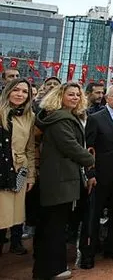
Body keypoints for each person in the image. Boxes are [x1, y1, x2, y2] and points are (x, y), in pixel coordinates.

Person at [33, 82, 95, 280]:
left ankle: (50, 268)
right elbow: (69, 145)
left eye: (78, 95)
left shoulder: (63, 117)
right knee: (54, 227)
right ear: (60, 96)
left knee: (53, 225)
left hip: (61, 178)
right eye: (71, 94)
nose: (75, 97)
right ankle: (51, 269)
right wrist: (89, 158)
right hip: (59, 179)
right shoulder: (61, 119)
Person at [78, 84, 113, 269]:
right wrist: (90, 173)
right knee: (92, 216)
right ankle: (88, 253)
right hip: (100, 175)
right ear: (107, 98)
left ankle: (112, 247)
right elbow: (89, 148)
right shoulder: (95, 118)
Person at [0, 79, 36, 256]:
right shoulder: (0, 112)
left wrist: (30, 176)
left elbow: (30, 148)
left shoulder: (30, 116)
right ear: (8, 91)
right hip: (2, 169)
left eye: (24, 91)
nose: (20, 94)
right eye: (16, 90)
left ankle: (14, 244)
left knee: (14, 216)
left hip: (19, 170)